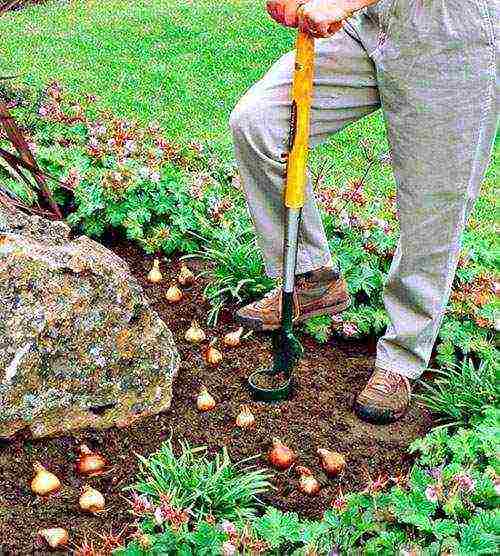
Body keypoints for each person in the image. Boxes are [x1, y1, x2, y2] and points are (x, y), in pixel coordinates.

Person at [229, 0, 498, 424]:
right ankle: (311, 276)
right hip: (375, 20)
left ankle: (403, 356)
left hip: (450, 37)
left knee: (432, 205)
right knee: (260, 121)